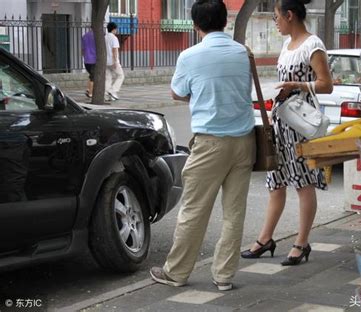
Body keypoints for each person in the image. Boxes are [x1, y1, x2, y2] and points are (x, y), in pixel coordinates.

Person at [149, 0, 255, 291]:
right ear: (225, 22)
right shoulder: (243, 53)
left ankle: (176, 272)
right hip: (245, 142)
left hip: (210, 143)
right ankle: (224, 277)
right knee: (234, 213)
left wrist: (200, 97)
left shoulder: (189, 56)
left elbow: (177, 93)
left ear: (196, 25)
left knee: (194, 210)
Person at [241, 0, 333, 266]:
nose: (275, 22)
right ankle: (265, 239)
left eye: (276, 17)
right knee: (276, 183)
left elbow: (327, 84)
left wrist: (296, 85)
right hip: (281, 123)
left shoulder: (312, 45)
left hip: (300, 126)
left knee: (303, 184)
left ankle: (301, 243)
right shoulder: (287, 45)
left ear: (289, 15)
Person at [105, 22, 124, 101]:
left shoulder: (104, 37)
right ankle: (113, 90)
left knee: (108, 78)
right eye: (116, 29)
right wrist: (116, 61)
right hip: (112, 61)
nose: (116, 30)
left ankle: (106, 95)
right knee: (121, 75)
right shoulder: (114, 38)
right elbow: (115, 50)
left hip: (105, 61)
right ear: (114, 29)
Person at [81, 28, 96, 98]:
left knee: (91, 75)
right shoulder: (98, 36)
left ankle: (88, 89)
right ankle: (90, 93)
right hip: (94, 60)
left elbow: (82, 49)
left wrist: (85, 56)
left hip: (86, 60)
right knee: (93, 77)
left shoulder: (84, 36)